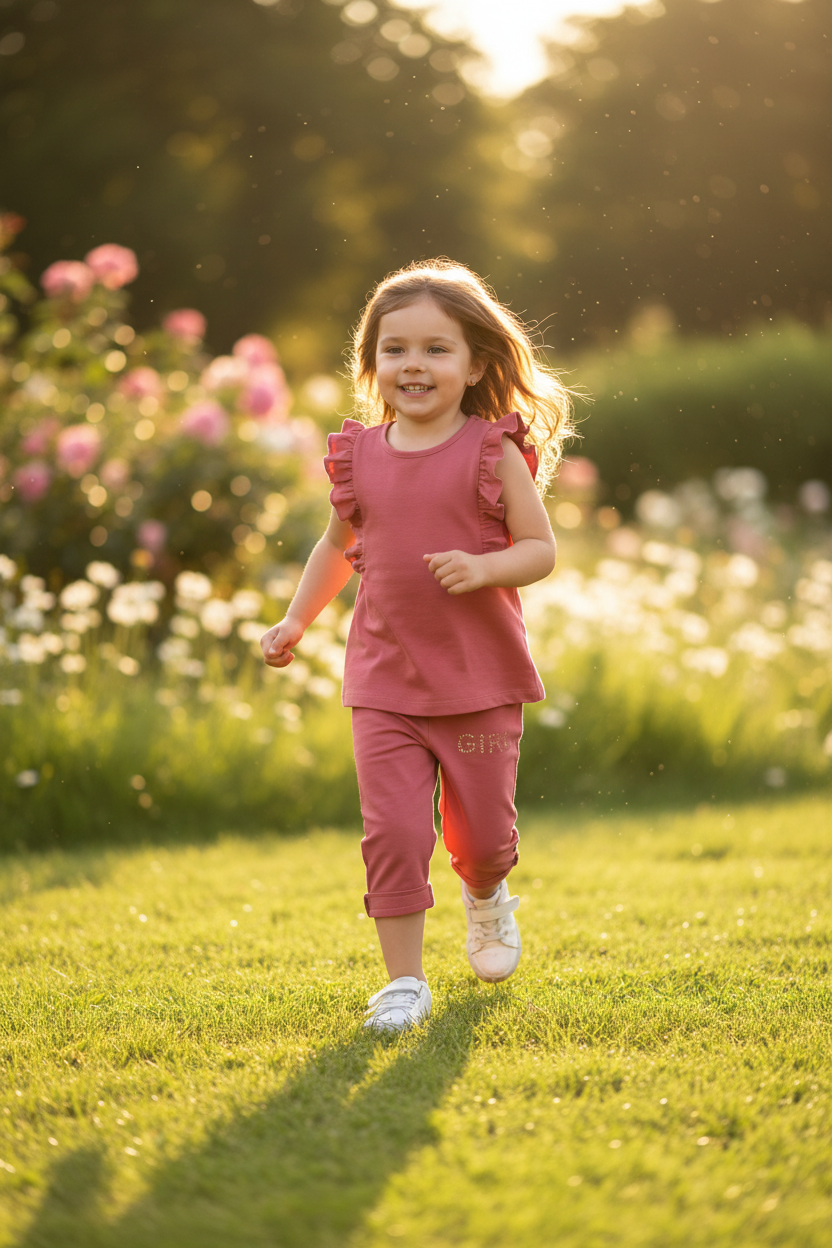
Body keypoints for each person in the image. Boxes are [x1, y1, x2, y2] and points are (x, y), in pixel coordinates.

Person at [261, 259, 574, 1033]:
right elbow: (337, 548)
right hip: (385, 682)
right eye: (395, 348)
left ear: (474, 364)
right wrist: (296, 621)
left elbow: (540, 549)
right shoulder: (358, 456)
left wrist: (485, 565)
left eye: (437, 349)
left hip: (479, 682)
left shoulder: (490, 450)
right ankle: (404, 983)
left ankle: (487, 895)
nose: (414, 364)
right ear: (372, 364)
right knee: (395, 834)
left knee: (484, 838)